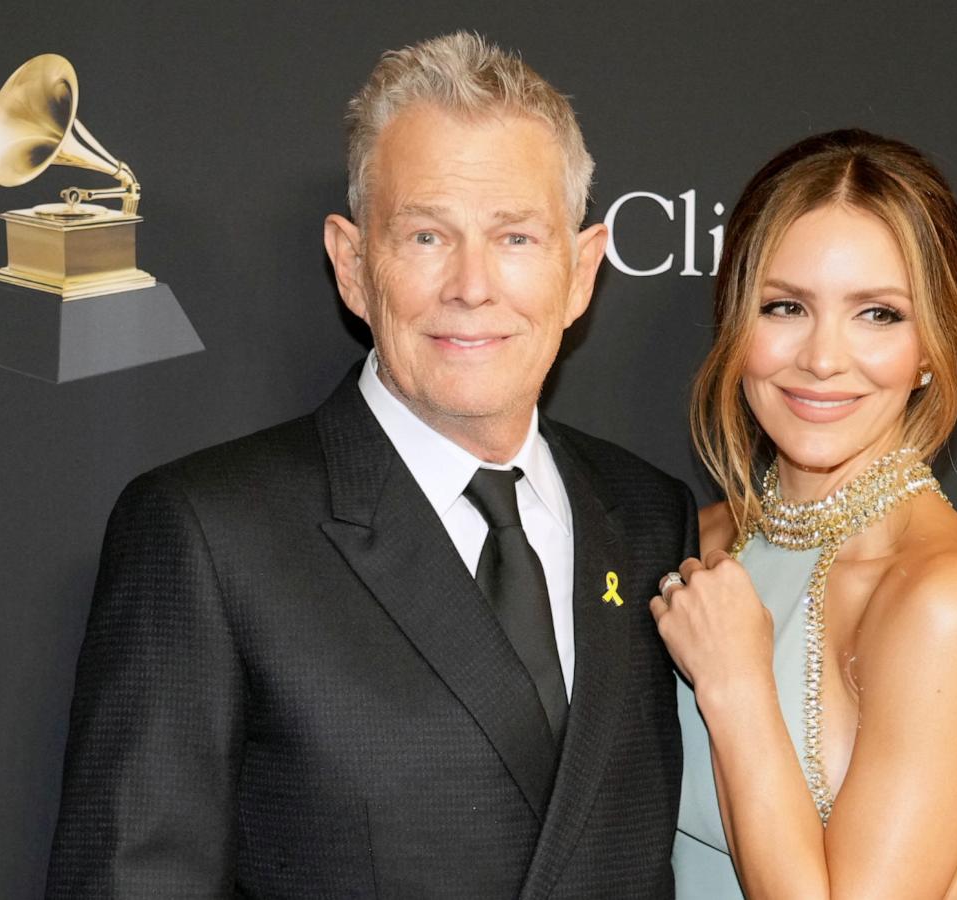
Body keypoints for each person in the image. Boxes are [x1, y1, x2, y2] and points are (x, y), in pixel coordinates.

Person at [46, 32, 694, 898]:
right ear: (354, 267)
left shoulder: (651, 518)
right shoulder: (208, 534)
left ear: (579, 273)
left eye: (516, 239)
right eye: (427, 236)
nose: (472, 285)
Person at [652, 129, 957, 899]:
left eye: (878, 314)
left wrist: (735, 684)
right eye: (785, 306)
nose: (823, 358)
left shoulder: (945, 600)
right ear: (735, 325)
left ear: (933, 344)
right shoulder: (703, 539)